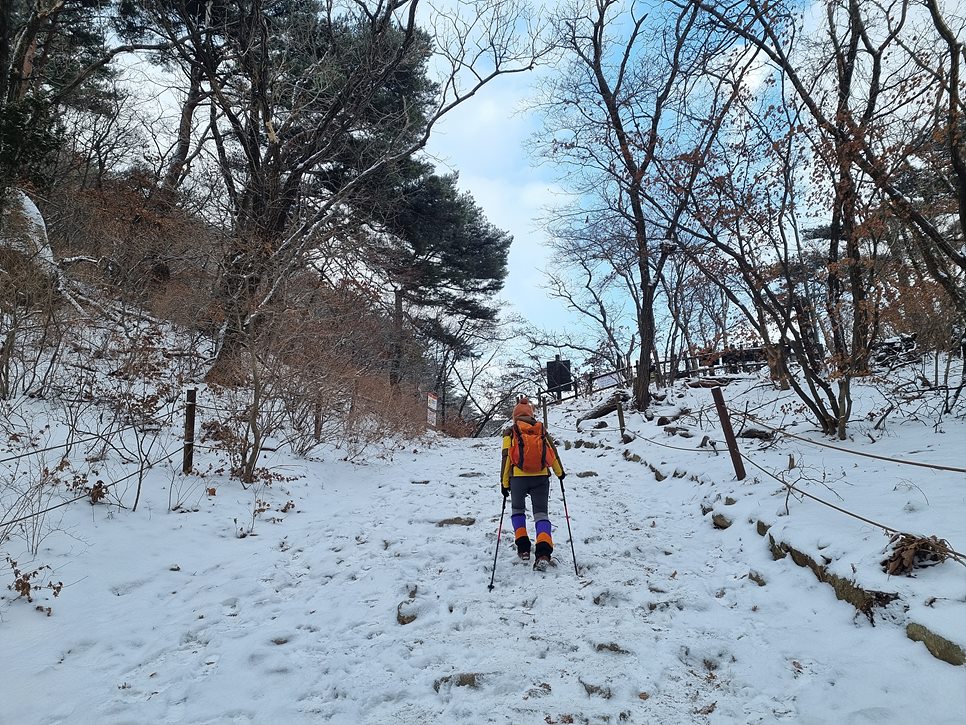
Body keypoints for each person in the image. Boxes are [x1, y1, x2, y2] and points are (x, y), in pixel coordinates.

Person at [500, 397, 566, 571]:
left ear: (515, 417)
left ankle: (523, 549)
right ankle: (543, 552)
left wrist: (504, 482)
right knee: (541, 515)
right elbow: (553, 453)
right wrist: (560, 473)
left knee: (518, 512)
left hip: (518, 478)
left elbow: (506, 458)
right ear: (531, 414)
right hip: (541, 477)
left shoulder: (511, 432)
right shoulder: (541, 430)